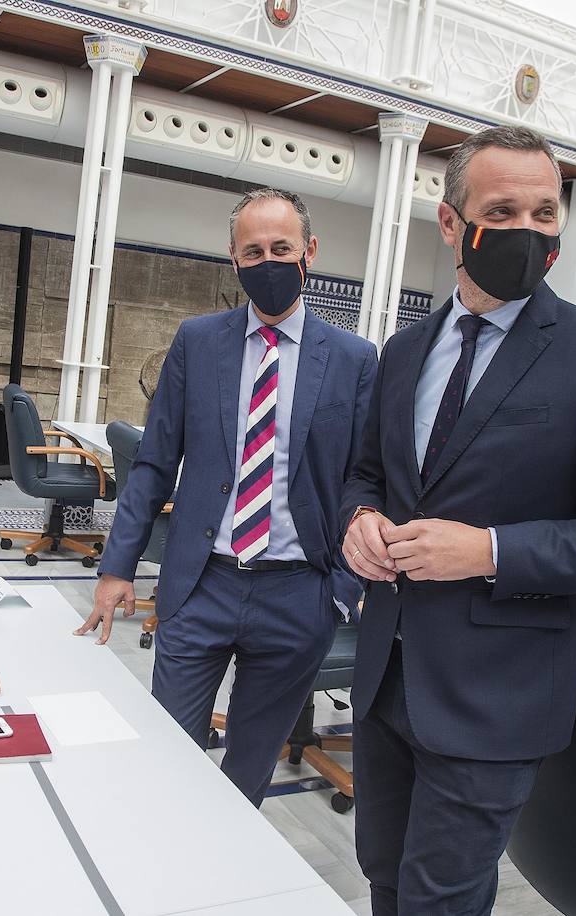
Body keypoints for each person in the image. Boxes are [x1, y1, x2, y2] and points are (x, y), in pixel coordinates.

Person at [340, 126, 576, 915]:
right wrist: (359, 516)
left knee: (440, 899)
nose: (528, 230)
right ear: (452, 223)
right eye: (503, 210)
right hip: (386, 676)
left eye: (545, 212)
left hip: (498, 695)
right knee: (383, 876)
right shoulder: (404, 351)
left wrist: (489, 551)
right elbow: (368, 472)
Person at [78, 188, 378, 805]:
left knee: (248, 773)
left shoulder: (354, 358)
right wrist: (116, 567)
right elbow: (156, 463)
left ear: (309, 252)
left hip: (299, 595)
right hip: (201, 585)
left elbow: (364, 480)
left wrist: (342, 590)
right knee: (167, 754)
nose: (268, 261)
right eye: (253, 251)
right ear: (233, 260)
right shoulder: (197, 341)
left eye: (282, 248)